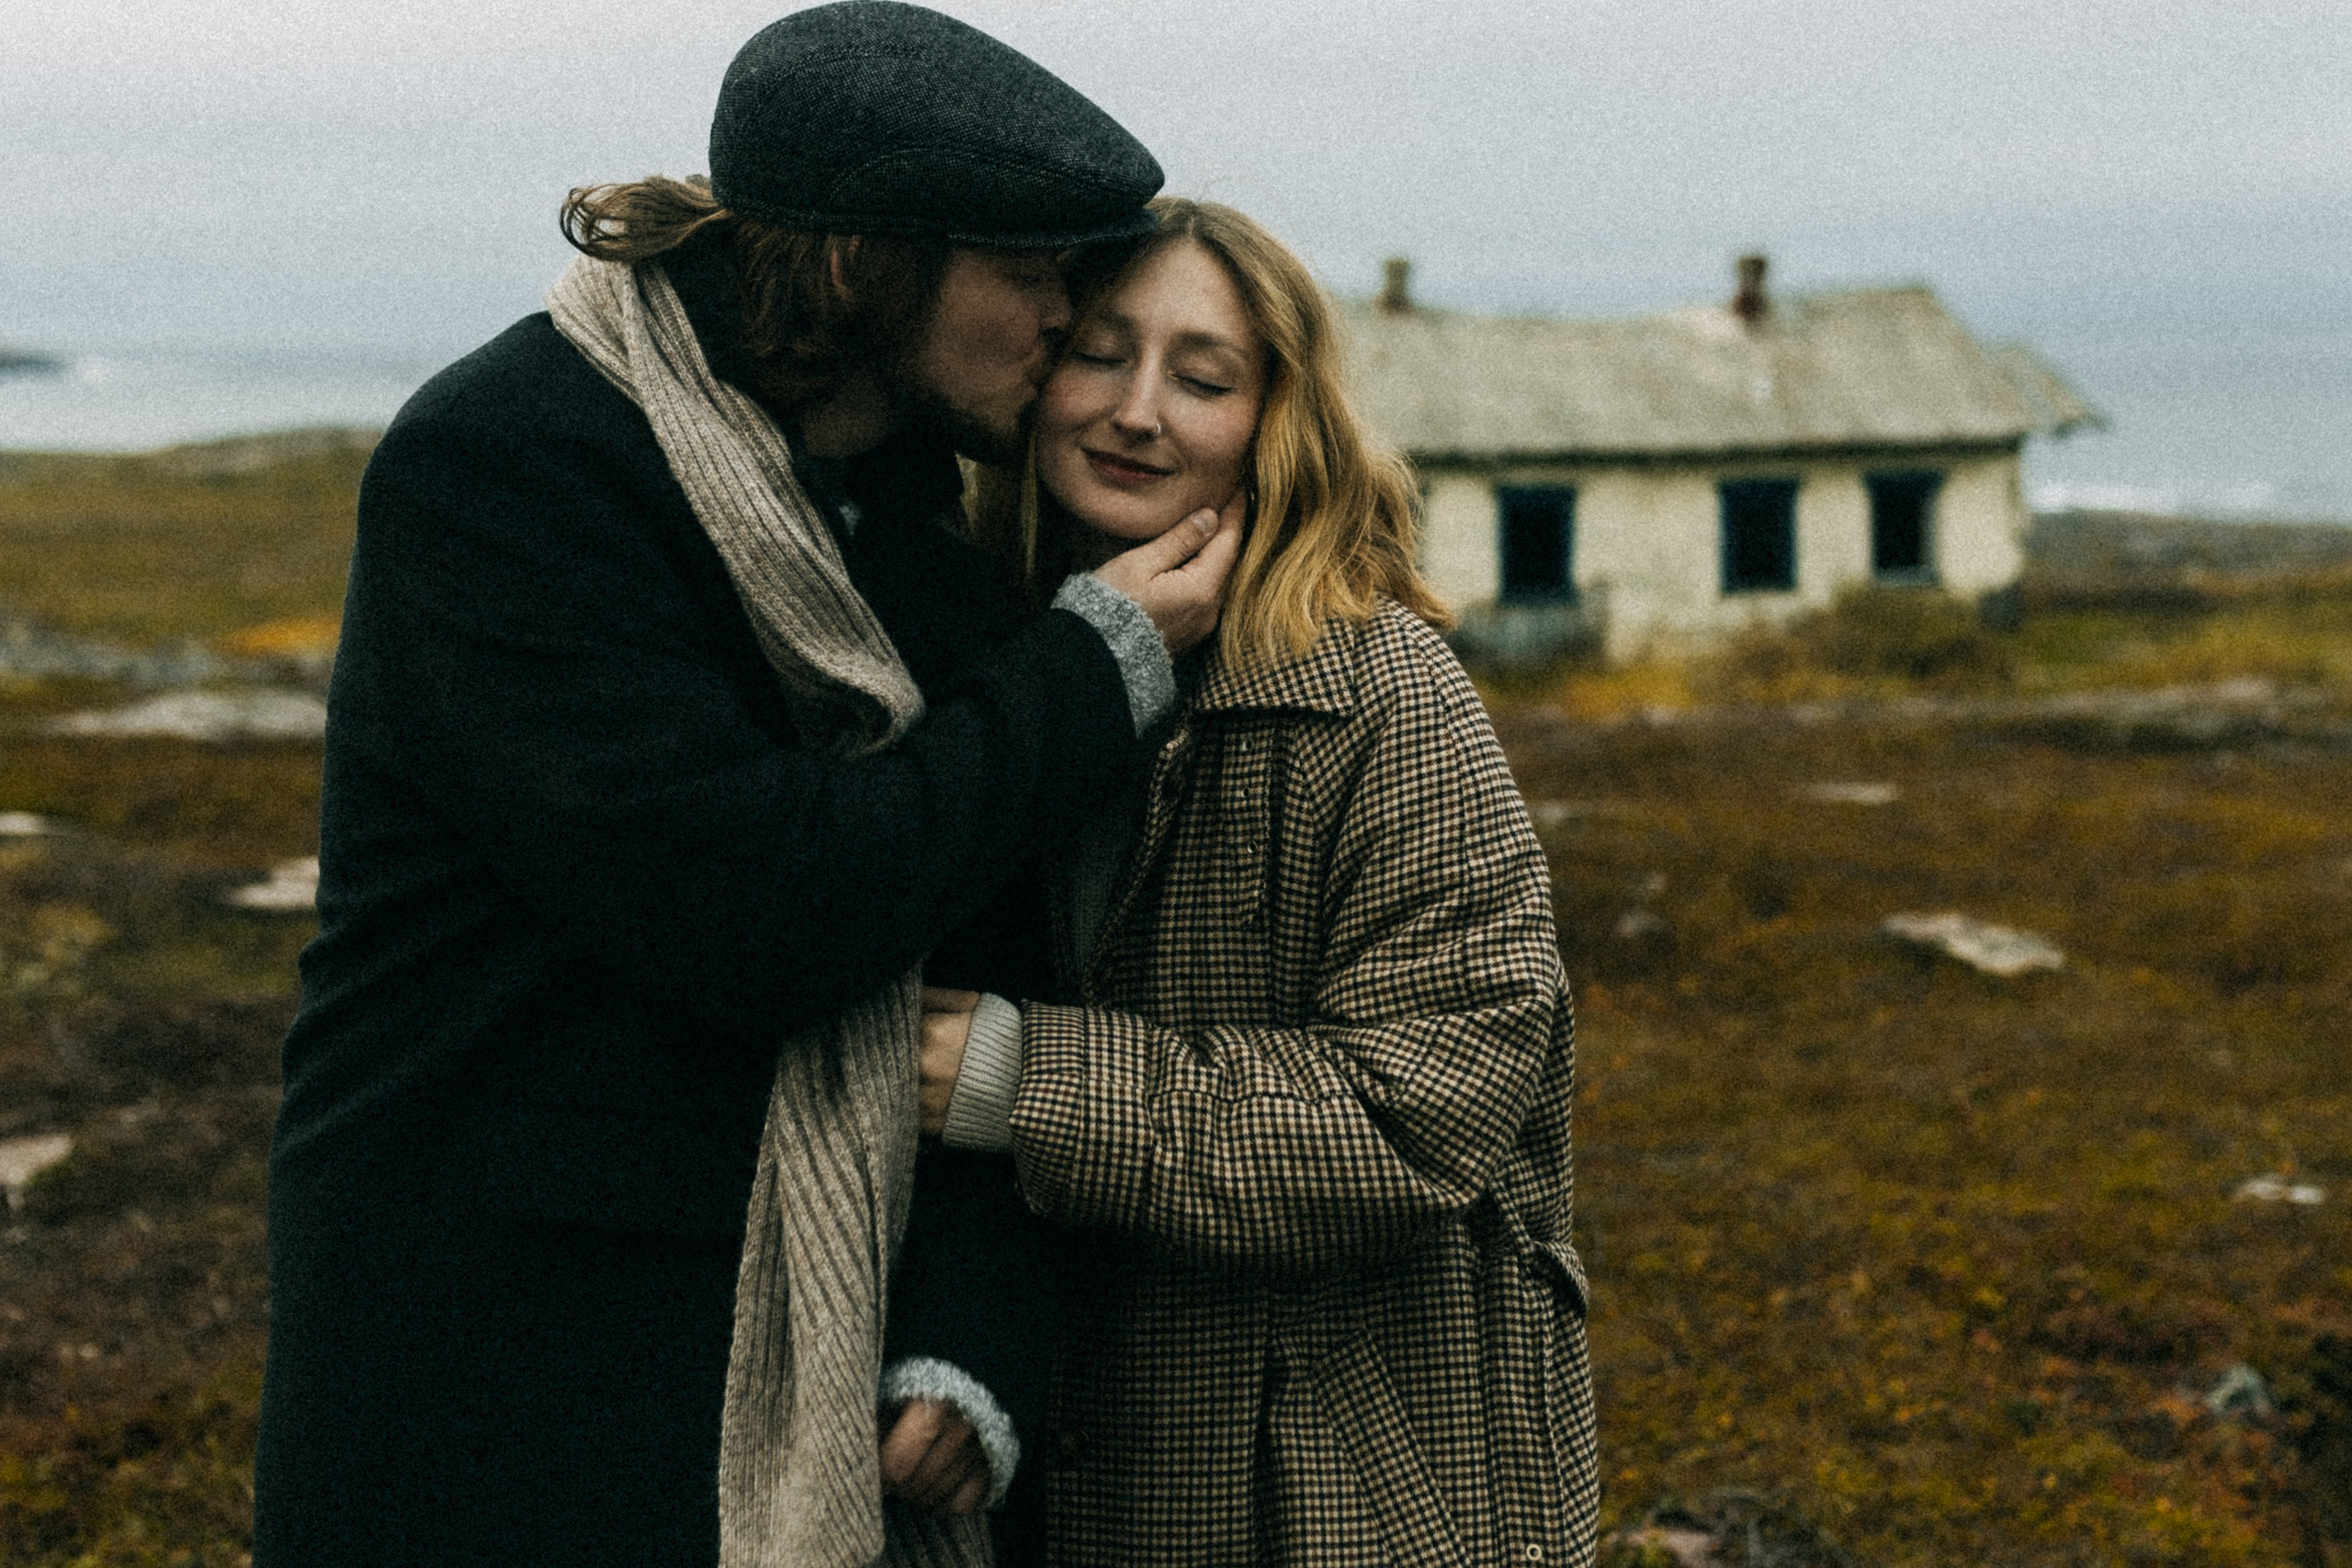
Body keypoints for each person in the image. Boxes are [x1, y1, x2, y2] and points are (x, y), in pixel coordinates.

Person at [252, 6, 1242, 1565]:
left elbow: (978, 941)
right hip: (490, 1361)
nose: (1066, 320)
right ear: (861, 265)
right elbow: (756, 905)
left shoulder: (901, 501)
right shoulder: (512, 465)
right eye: (1033, 274)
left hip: (808, 1351)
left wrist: (968, 1333)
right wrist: (1089, 666)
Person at [916, 198, 1600, 1564]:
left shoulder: (1381, 699)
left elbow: (1422, 1118)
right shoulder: (995, 678)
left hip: (1349, 1487)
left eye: (1203, 377)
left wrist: (1021, 1078)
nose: (1137, 411)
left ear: (1276, 420)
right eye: (1099, 353)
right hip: (1081, 1466)